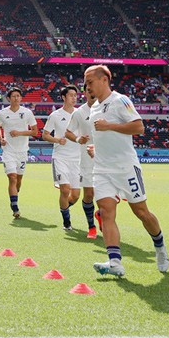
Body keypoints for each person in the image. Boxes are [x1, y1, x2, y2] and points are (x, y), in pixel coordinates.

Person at [84, 65, 169, 277]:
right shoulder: (94, 107)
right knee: (106, 211)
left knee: (141, 212)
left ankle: (160, 247)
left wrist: (110, 126)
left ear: (104, 80)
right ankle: (115, 262)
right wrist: (97, 149)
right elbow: (103, 135)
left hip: (125, 167)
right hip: (102, 168)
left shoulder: (121, 101)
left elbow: (138, 127)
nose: (87, 87)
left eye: (90, 82)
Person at [42, 85, 82, 232]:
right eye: (71, 95)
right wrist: (57, 139)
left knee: (76, 195)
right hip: (61, 158)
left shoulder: (81, 113)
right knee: (65, 190)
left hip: (77, 160)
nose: (74, 98)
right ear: (64, 97)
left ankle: (63, 208)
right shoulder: (55, 115)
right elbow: (45, 135)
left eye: (75, 95)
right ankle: (66, 222)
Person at [0, 88, 38, 218]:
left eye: (18, 96)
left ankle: (15, 195)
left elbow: (35, 132)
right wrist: (1, 138)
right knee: (12, 177)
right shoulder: (2, 113)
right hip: (8, 151)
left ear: (21, 98)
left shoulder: (27, 113)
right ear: (9, 98)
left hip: (22, 152)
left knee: (18, 180)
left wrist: (19, 133)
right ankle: (15, 207)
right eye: (13, 96)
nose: (16, 98)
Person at [64, 88, 99, 239]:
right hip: (86, 160)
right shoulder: (79, 113)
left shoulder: (107, 109)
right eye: (89, 90)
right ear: (85, 93)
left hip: (106, 158)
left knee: (108, 196)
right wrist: (79, 139)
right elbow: (68, 132)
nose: (93, 92)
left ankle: (101, 214)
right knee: (89, 194)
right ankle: (91, 226)